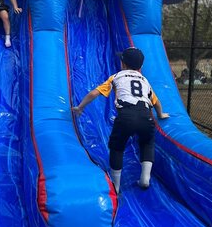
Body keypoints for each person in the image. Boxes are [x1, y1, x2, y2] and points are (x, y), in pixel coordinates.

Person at [72, 47, 169, 193]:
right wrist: (160, 115)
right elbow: (156, 102)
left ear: (122, 64)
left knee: (117, 148)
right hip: (146, 116)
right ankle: (145, 178)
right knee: (147, 143)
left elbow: (94, 93)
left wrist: (80, 107)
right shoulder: (144, 81)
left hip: (126, 117)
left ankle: (116, 186)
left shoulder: (116, 76)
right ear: (141, 67)